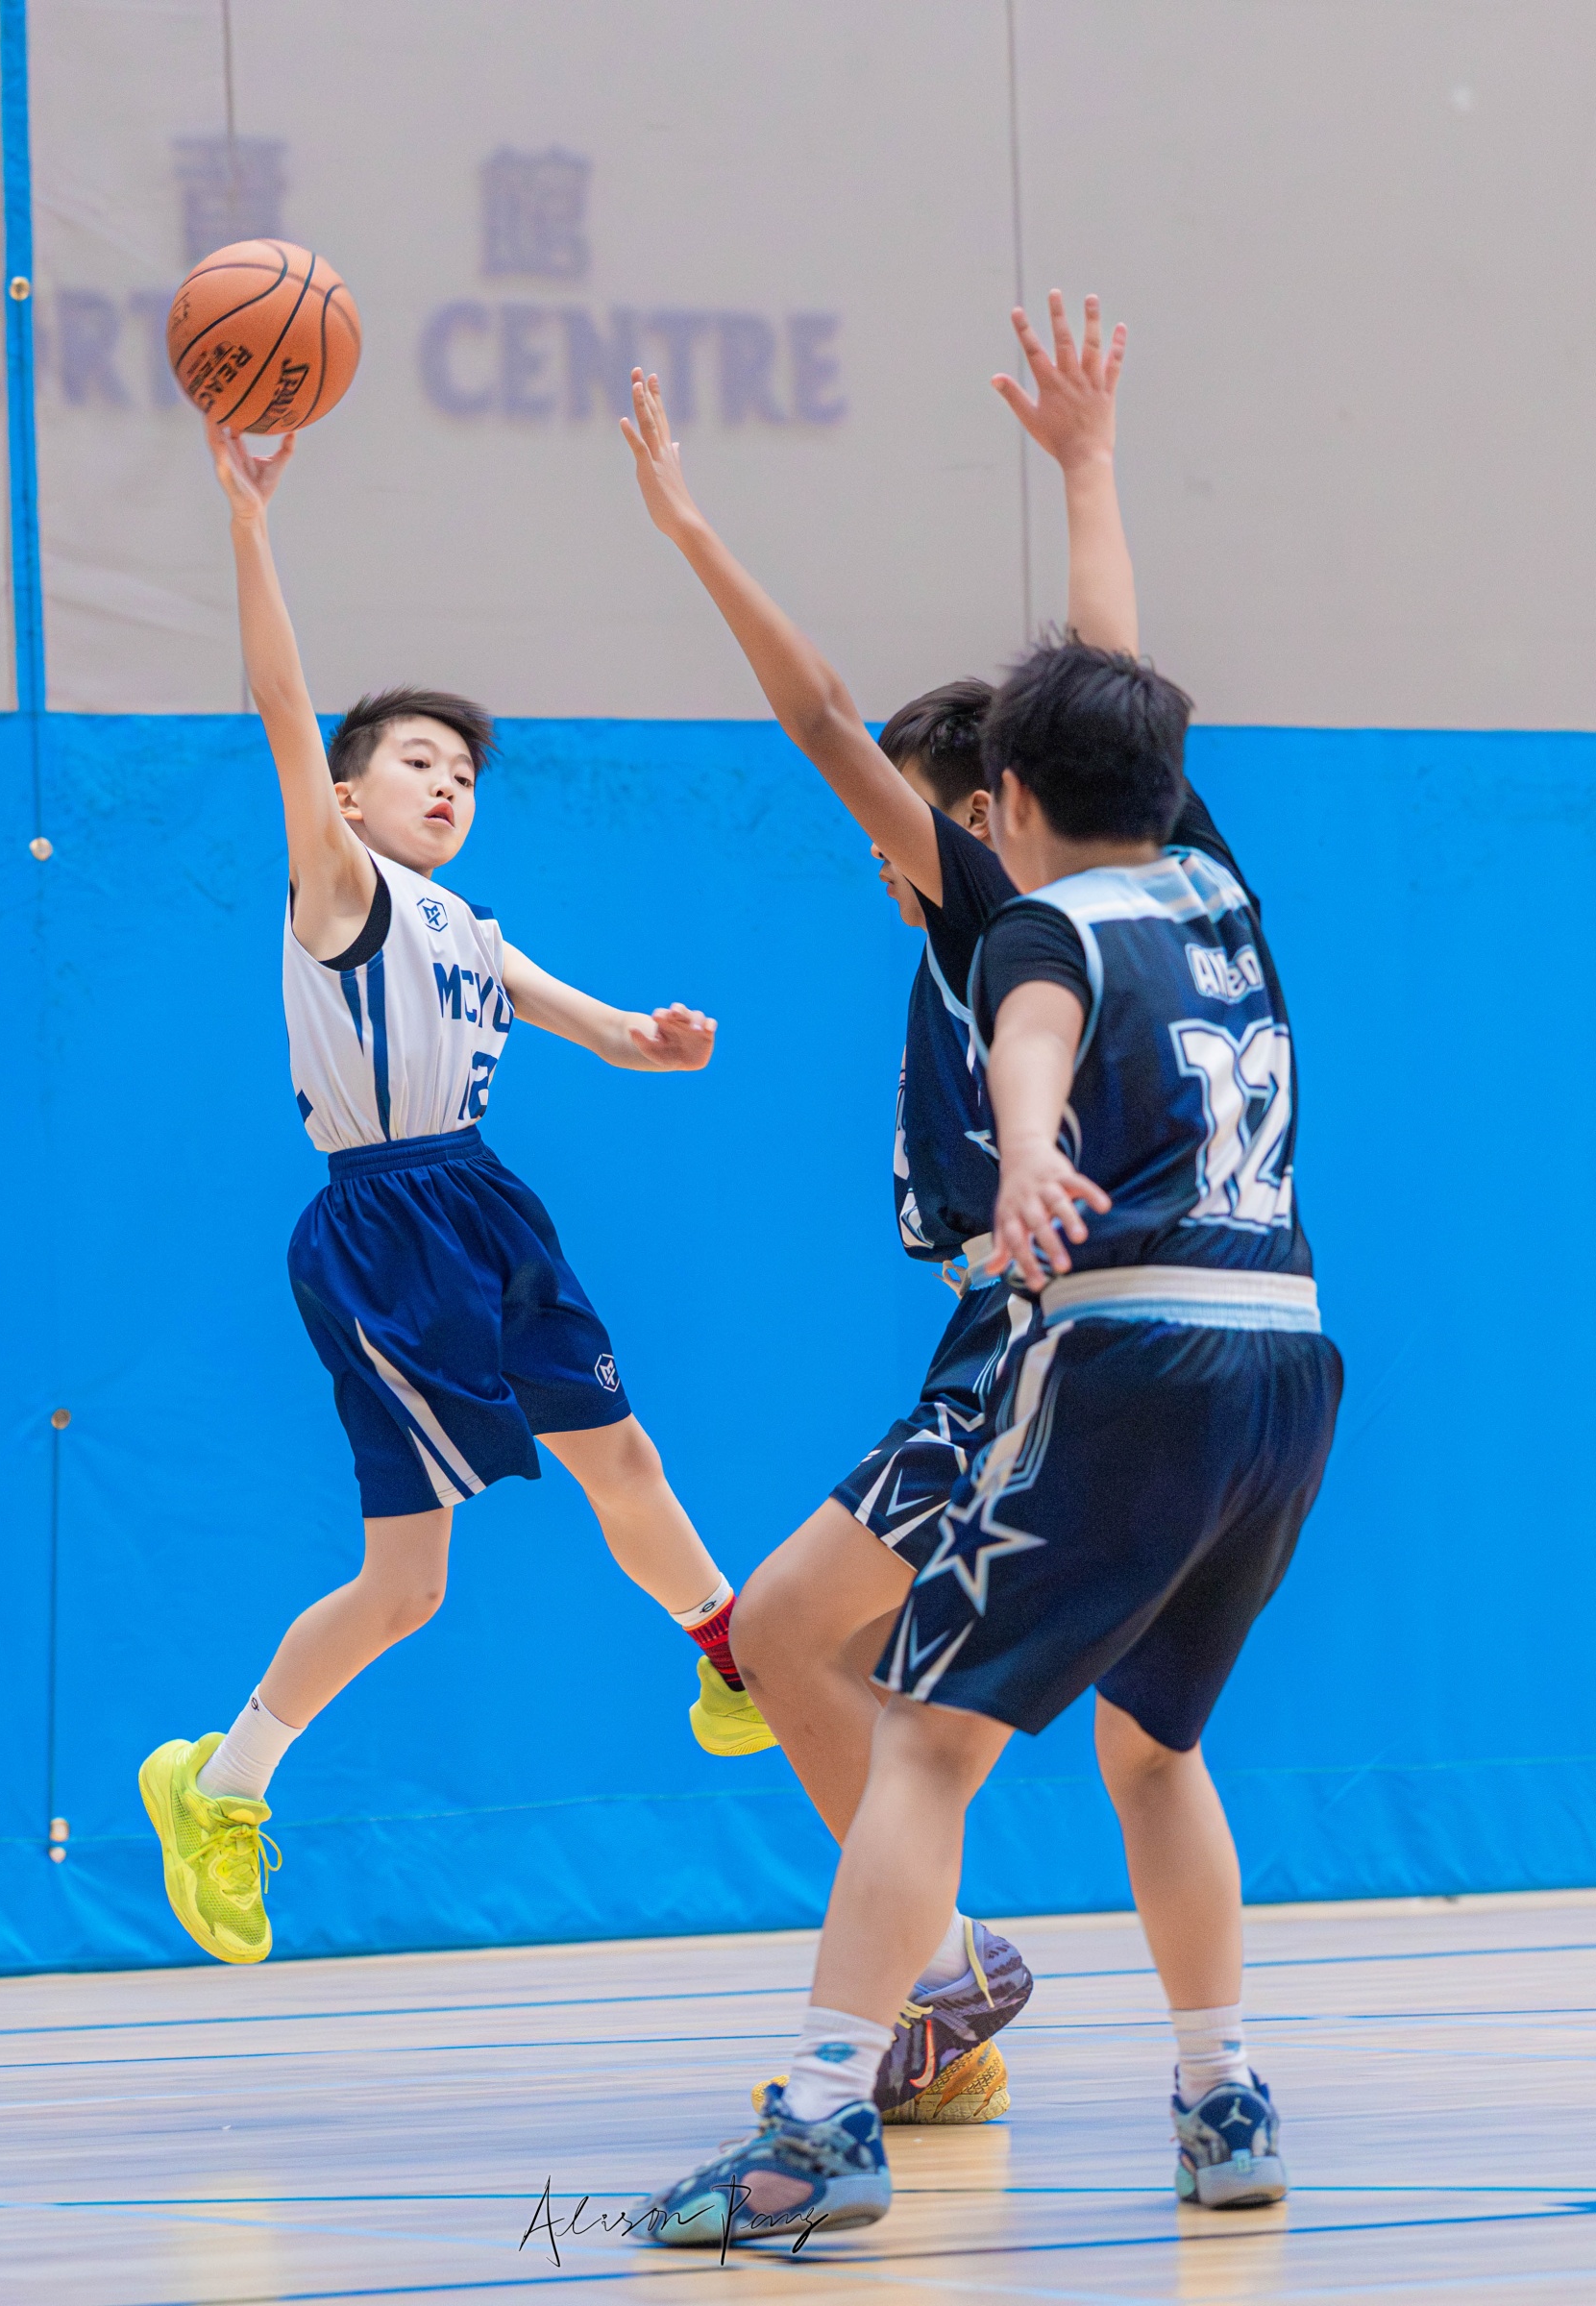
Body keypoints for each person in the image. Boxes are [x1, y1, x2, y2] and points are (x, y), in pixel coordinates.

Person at [633, 631, 1343, 2240]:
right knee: (1154, 1751)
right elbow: (1115, 635)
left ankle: (823, 2123)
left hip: (1115, 1343)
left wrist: (1026, 1150)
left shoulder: (1030, 920)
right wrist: (1087, 493)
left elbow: (1026, 1031)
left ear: (1000, 801)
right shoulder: (1216, 896)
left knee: (924, 1742)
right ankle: (1222, 2093)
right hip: (1285, 1358)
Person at [138, 414, 773, 1971]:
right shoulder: (336, 888)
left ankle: (728, 1656)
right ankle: (221, 1788)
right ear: (346, 798)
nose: (446, 782)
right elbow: (282, 706)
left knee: (611, 1461)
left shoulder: (468, 927)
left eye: (464, 770)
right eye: (416, 761)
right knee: (413, 1577)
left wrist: (660, 1040)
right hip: (383, 1235)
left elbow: (609, 1034)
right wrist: (247, 524)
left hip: (485, 1208)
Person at [619, 295, 1138, 2129]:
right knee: (812, 1654)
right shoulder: (1116, 898)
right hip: (1042, 1340)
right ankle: (945, 1992)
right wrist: (1088, 470)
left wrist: (691, 531)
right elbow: (1113, 677)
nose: (878, 836)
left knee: (793, 1643)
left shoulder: (999, 910)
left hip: (1032, 1343)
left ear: (984, 813)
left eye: (908, 814)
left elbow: (821, 715)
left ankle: (932, 1985)